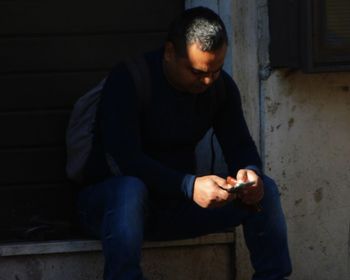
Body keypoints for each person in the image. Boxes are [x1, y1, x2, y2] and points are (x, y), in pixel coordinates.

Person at [76, 6, 292, 280]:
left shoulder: (220, 87)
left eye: (215, 70)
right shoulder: (129, 79)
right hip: (111, 210)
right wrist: (190, 186)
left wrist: (250, 175)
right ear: (169, 53)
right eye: (196, 71)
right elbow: (126, 160)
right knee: (129, 190)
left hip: (174, 209)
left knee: (266, 191)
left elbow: (239, 145)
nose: (207, 80)